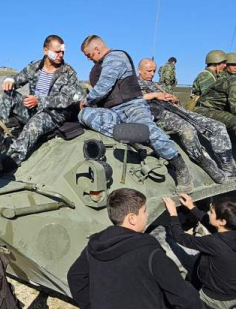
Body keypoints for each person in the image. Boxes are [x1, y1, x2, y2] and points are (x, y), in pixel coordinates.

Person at [68, 188, 201, 309]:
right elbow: (187, 299)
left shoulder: (95, 245)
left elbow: (75, 277)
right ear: (131, 218)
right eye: (144, 211)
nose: (147, 215)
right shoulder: (150, 254)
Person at [79, 35, 195, 193]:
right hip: (114, 111)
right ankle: (134, 139)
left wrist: (86, 101)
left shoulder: (115, 58)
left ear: (97, 49)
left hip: (132, 106)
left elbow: (103, 87)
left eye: (89, 55)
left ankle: (179, 166)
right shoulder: (102, 64)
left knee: (148, 129)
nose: (89, 59)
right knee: (84, 115)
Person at [137, 59, 236, 183]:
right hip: (159, 115)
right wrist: (153, 95)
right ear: (139, 70)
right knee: (188, 131)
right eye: (149, 71)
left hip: (178, 111)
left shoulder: (159, 85)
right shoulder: (132, 85)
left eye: (154, 71)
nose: (152, 74)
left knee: (217, 126)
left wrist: (174, 99)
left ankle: (228, 166)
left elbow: (178, 103)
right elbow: (127, 102)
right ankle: (206, 164)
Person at [0, 34, 82, 168]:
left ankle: (12, 159)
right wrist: (10, 80)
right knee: (4, 95)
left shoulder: (68, 72)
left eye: (62, 52)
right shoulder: (35, 67)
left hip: (53, 114)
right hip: (31, 109)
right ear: (46, 51)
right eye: (57, 52)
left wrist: (39, 101)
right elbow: (18, 79)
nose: (61, 55)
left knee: (35, 123)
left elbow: (66, 99)